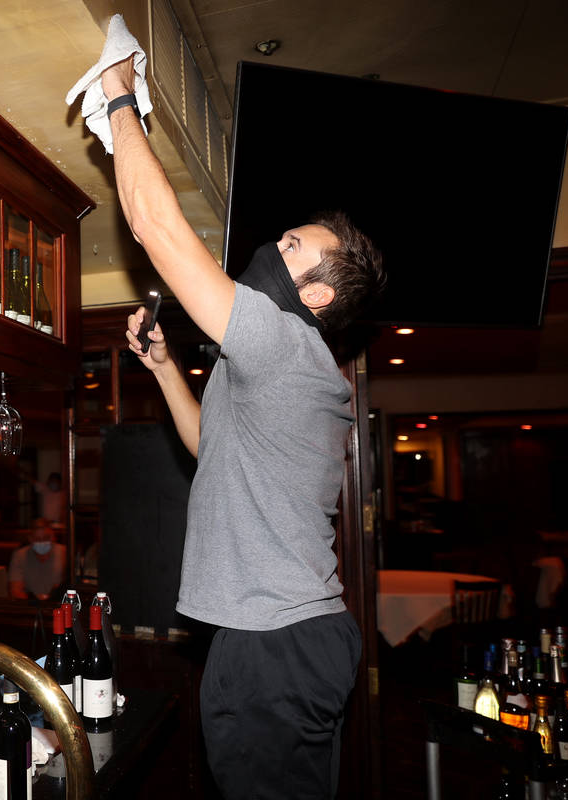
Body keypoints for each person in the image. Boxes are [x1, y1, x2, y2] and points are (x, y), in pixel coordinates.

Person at [99, 55, 385, 799]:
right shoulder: (283, 369)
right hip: (277, 638)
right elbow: (209, 447)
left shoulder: (286, 343)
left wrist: (119, 100)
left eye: (292, 247)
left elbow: (155, 227)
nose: (273, 248)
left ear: (316, 296)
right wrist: (164, 368)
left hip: (277, 644)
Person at [8, 518, 67, 600]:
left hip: (58, 604)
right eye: (38, 539)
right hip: (30, 605)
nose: (42, 542)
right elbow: (15, 591)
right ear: (30, 539)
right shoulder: (19, 556)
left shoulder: (64, 553)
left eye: (46, 538)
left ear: (53, 537)